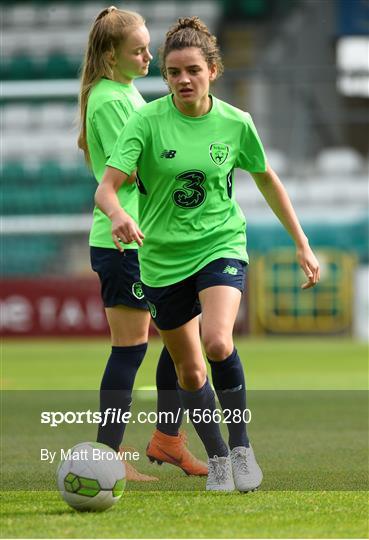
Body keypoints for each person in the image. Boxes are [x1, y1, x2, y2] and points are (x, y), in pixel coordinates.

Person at [95, 16, 320, 492]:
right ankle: (217, 459)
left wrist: (301, 241)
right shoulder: (146, 120)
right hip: (161, 259)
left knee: (217, 341)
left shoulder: (236, 123)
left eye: (192, 70)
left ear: (212, 71)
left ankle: (241, 449)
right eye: (174, 72)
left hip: (220, 245)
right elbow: (107, 188)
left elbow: (267, 180)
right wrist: (117, 214)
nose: (182, 80)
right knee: (190, 368)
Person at [77, 6, 208, 481]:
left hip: (151, 239)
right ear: (111, 56)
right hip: (123, 241)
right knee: (130, 348)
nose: (150, 56)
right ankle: (107, 455)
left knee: (181, 339)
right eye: (139, 50)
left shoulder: (125, 92)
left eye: (149, 46)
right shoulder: (111, 100)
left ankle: (168, 441)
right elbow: (128, 169)